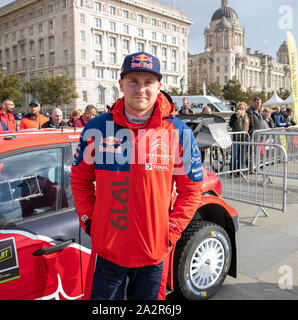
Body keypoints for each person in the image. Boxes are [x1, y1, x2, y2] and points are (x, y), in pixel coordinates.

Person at [70, 51, 203, 300]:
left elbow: (192, 190)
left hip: (153, 254)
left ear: (159, 86)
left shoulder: (178, 132)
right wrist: (89, 220)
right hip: (108, 251)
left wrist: (171, 231)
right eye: (133, 81)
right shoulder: (97, 128)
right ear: (121, 84)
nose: (140, 89)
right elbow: (79, 180)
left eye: (148, 82)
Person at [229, 102, 249, 173]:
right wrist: (237, 117)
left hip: (244, 140)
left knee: (242, 156)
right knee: (234, 156)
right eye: (239, 108)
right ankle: (232, 171)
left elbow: (249, 126)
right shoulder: (234, 116)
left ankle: (240, 171)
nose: (241, 110)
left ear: (245, 109)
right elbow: (230, 124)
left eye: (242, 108)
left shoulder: (246, 116)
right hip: (236, 140)